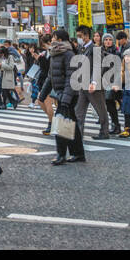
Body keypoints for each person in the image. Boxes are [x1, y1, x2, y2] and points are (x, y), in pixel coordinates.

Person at [47, 29, 85, 165]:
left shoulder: (68, 54)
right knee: (72, 124)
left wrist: (65, 99)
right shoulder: (54, 53)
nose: (52, 40)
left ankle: (61, 154)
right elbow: (50, 75)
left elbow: (72, 77)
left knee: (60, 123)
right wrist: (43, 93)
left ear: (61, 39)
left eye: (54, 37)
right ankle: (78, 153)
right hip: (61, 94)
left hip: (69, 94)